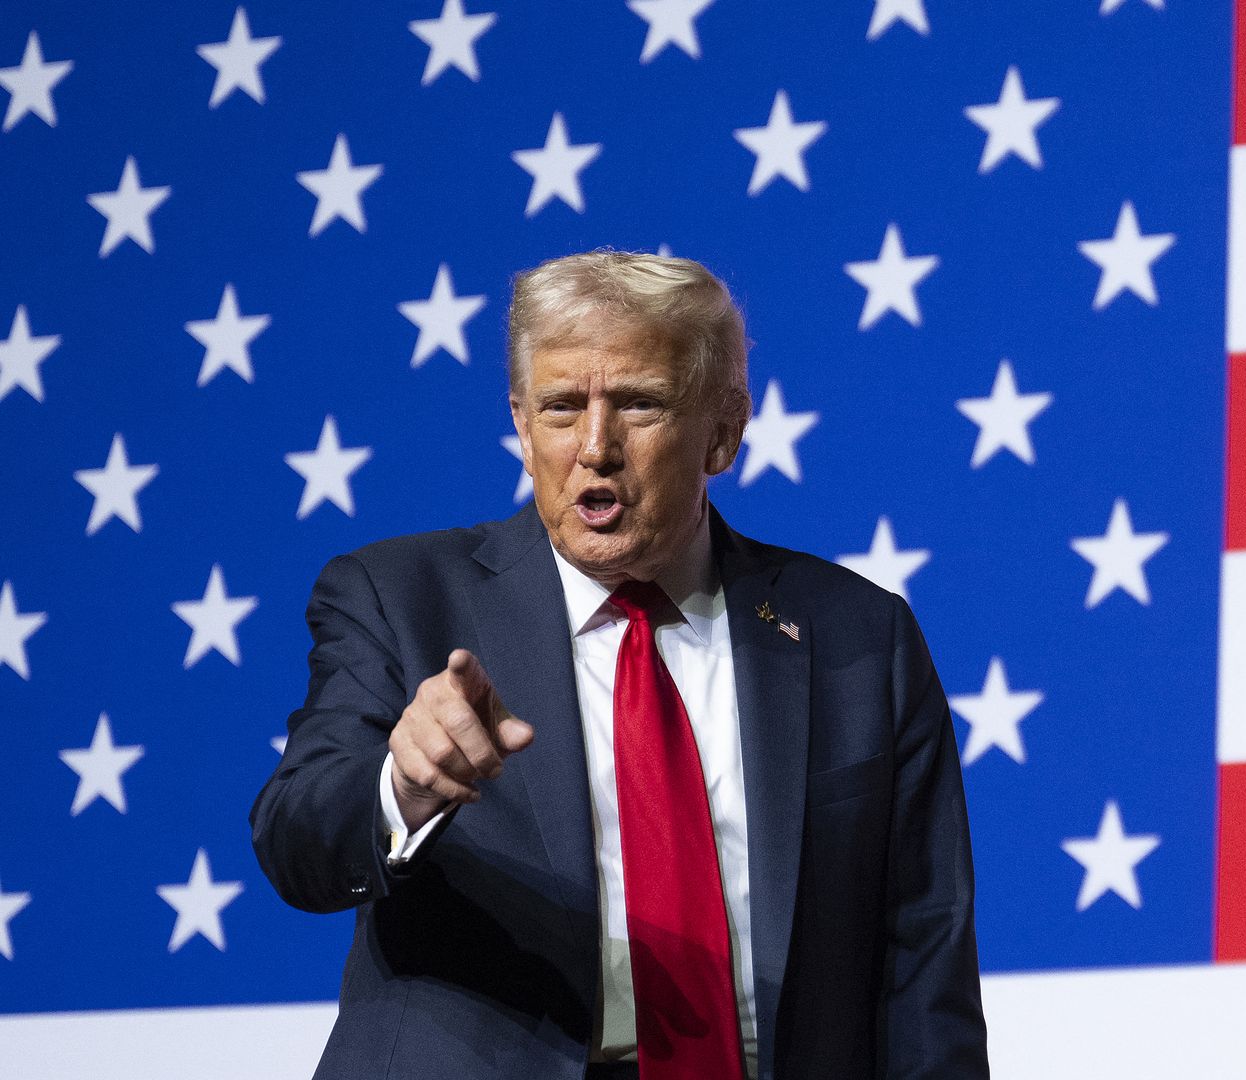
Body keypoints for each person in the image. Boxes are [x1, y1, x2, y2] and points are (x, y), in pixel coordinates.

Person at [250, 250, 989, 1080]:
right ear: (523, 430)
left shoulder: (858, 636)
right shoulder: (398, 597)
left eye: (639, 404)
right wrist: (403, 788)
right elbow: (295, 839)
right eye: (562, 408)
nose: (595, 447)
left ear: (724, 431)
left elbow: (924, 959)